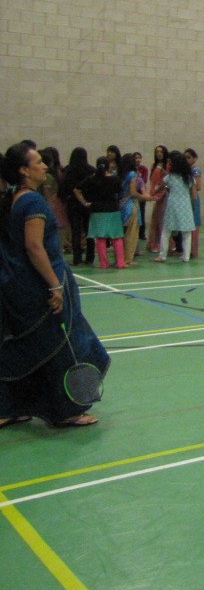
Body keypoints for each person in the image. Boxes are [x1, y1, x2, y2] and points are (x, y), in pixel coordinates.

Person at [0, 143, 110, 428]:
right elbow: (34, 247)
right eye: (38, 162)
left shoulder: (16, 198)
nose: (45, 166)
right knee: (64, 346)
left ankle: (11, 407)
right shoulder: (33, 203)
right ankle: (66, 411)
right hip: (41, 283)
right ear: (24, 170)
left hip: (22, 284)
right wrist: (54, 286)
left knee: (28, 347)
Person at [81, 158, 126, 269]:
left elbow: (77, 189)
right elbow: (120, 192)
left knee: (100, 238)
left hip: (97, 210)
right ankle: (120, 263)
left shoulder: (91, 179)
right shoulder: (115, 179)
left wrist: (85, 203)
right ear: (108, 166)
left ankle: (103, 263)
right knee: (116, 237)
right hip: (113, 209)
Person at [154, 151, 196, 263]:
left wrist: (153, 193)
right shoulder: (189, 178)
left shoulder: (170, 177)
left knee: (166, 232)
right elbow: (194, 196)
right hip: (186, 206)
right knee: (187, 233)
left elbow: (160, 187)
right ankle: (186, 257)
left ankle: (162, 256)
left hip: (172, 206)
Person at [60, 147, 95, 266]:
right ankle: (90, 257)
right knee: (89, 231)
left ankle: (77, 258)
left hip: (73, 204)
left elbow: (63, 187)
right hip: (88, 204)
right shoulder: (91, 170)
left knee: (75, 231)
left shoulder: (68, 170)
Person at [119, 153, 153, 264]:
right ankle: (128, 258)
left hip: (121, 205)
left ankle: (121, 257)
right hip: (130, 205)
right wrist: (145, 198)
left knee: (123, 233)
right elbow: (133, 192)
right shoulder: (132, 174)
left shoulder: (120, 175)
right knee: (131, 234)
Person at [146, 145, 169, 254]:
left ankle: (166, 245)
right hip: (156, 194)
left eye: (161, 151)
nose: (159, 154)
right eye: (157, 152)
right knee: (156, 219)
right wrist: (153, 193)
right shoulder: (154, 165)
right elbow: (153, 180)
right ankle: (154, 244)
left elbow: (167, 181)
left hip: (165, 194)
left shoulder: (167, 165)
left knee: (163, 220)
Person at [184, 148, 201, 259]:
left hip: (193, 199)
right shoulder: (186, 170)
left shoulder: (195, 170)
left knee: (194, 224)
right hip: (186, 199)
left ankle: (193, 251)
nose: (186, 160)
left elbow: (198, 186)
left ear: (194, 158)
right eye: (185, 158)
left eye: (189, 157)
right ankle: (186, 249)